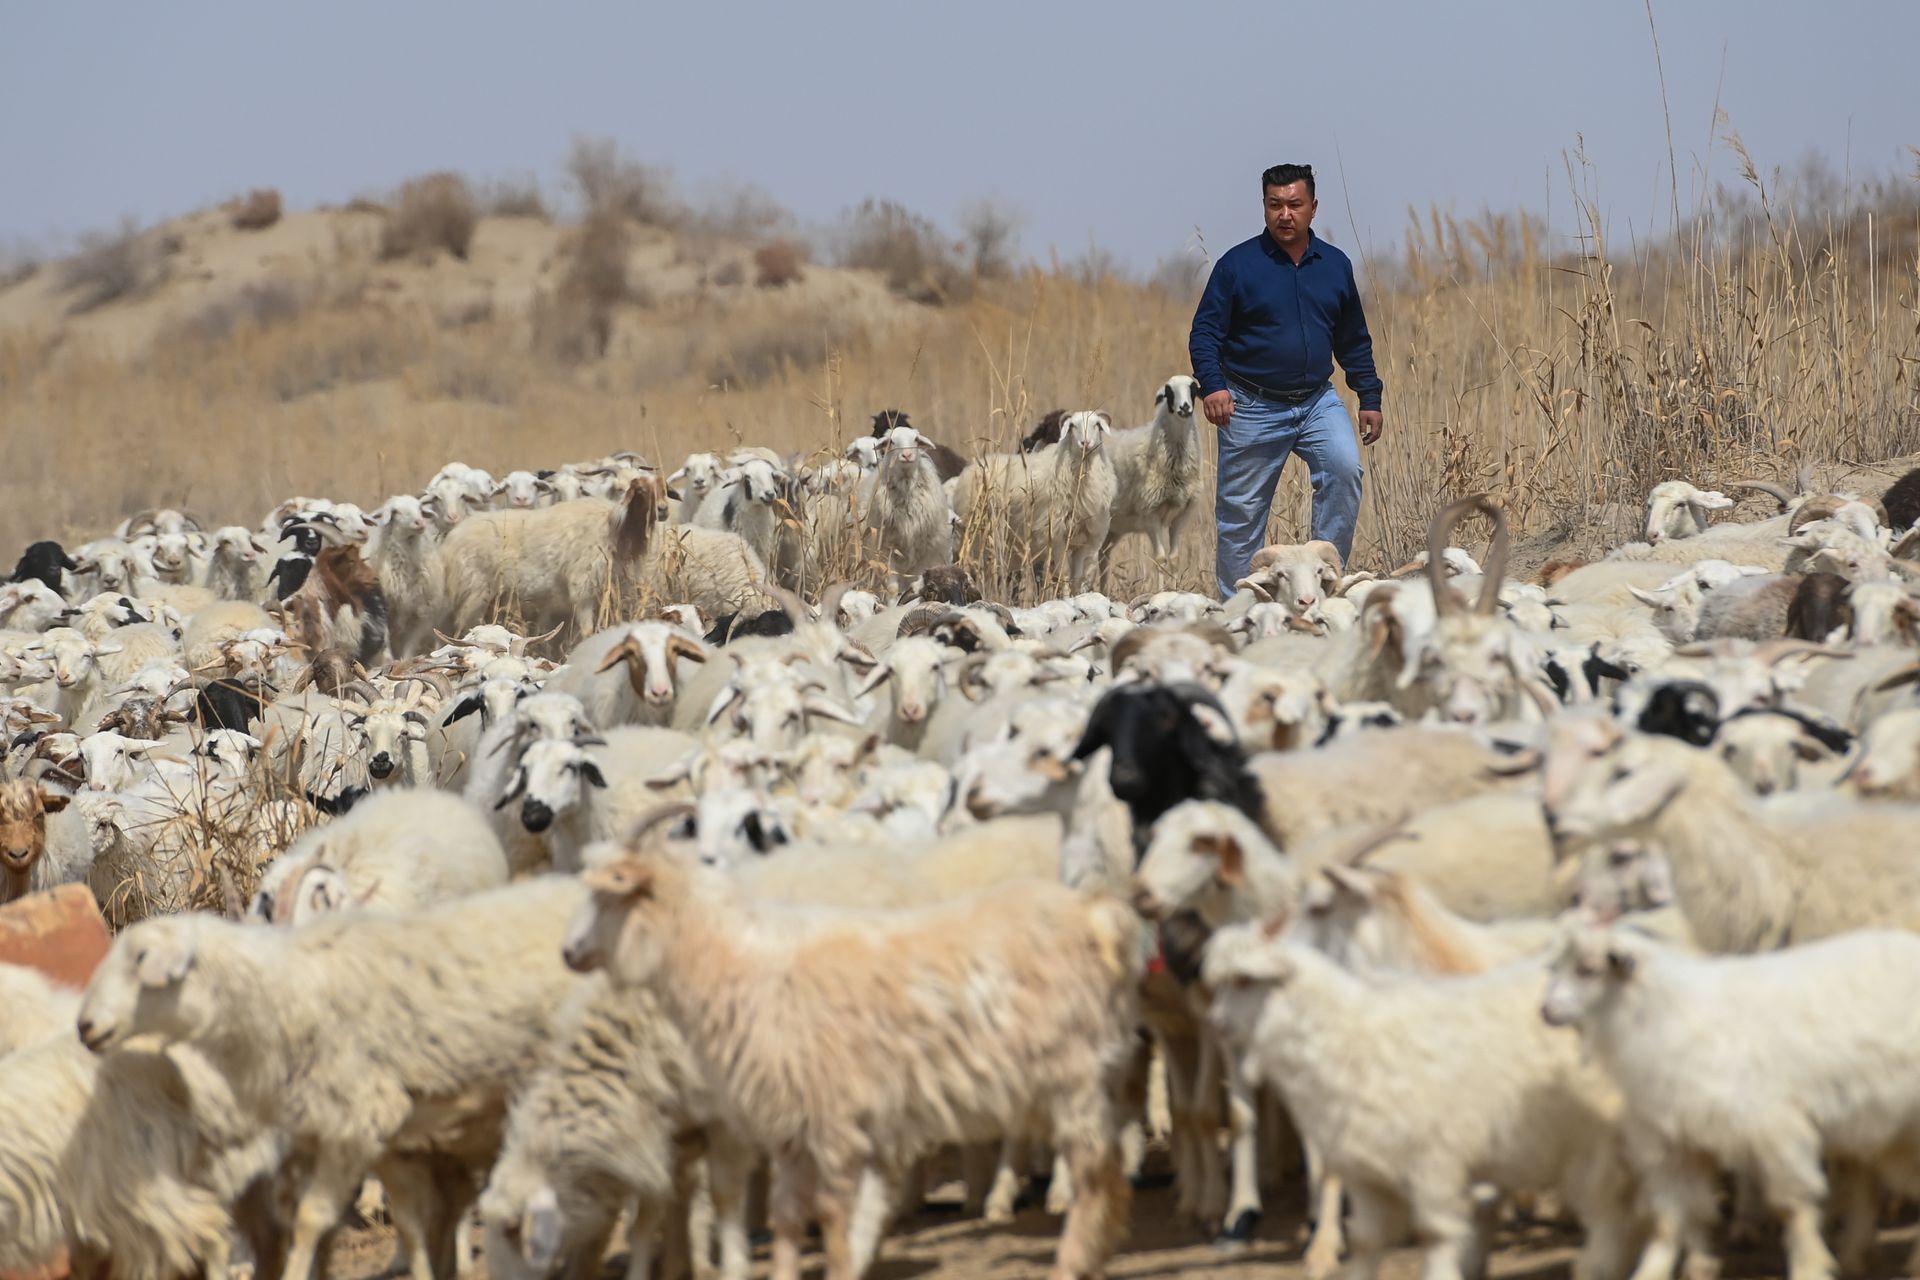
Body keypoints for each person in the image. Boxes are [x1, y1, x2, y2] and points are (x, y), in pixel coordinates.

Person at [1189, 162, 1384, 598]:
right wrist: (1213, 386)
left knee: (1344, 468)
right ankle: (1241, 608)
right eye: (1275, 205)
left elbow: (1353, 338)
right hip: (1250, 404)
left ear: (1314, 207)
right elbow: (1204, 333)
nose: (1285, 214)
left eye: (1295, 204)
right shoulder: (1237, 266)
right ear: (1264, 207)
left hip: (1317, 401)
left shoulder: (1335, 265)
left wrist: (1369, 395)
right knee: (1241, 515)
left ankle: (1322, 589)